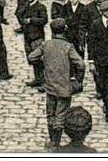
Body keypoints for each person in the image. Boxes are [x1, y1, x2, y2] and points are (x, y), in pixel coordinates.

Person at [28, 18, 85, 149]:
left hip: (50, 87)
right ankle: (56, 144)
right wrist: (78, 80)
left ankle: (52, 141)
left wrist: (45, 64)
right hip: (65, 87)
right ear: (64, 30)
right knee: (61, 115)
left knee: (50, 114)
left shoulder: (45, 45)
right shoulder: (68, 47)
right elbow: (81, 64)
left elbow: (31, 57)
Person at [16, 0, 48, 90]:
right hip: (28, 37)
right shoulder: (25, 6)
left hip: (37, 37)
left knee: (40, 60)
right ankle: (37, 79)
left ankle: (44, 81)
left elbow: (44, 20)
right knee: (32, 59)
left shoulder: (41, 7)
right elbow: (18, 15)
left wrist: (31, 20)